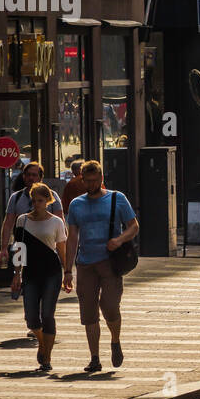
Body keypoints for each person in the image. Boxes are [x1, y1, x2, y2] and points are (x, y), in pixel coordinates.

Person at [63, 160, 139, 373]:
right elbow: (72, 237)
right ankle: (94, 357)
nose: (91, 184)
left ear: (101, 179)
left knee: (110, 306)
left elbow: (134, 226)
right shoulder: (77, 204)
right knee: (89, 313)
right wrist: (68, 270)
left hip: (110, 262)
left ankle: (115, 341)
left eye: (95, 180)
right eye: (87, 181)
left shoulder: (117, 198)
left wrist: (119, 240)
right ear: (82, 180)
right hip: (85, 264)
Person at [11, 183, 69, 371]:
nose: (36, 204)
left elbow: (62, 249)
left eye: (41, 201)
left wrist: (68, 273)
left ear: (48, 201)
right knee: (31, 317)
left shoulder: (56, 222)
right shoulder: (22, 220)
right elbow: (19, 248)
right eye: (34, 200)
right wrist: (17, 273)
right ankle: (42, 343)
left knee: (47, 314)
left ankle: (47, 357)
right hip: (31, 272)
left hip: (51, 271)